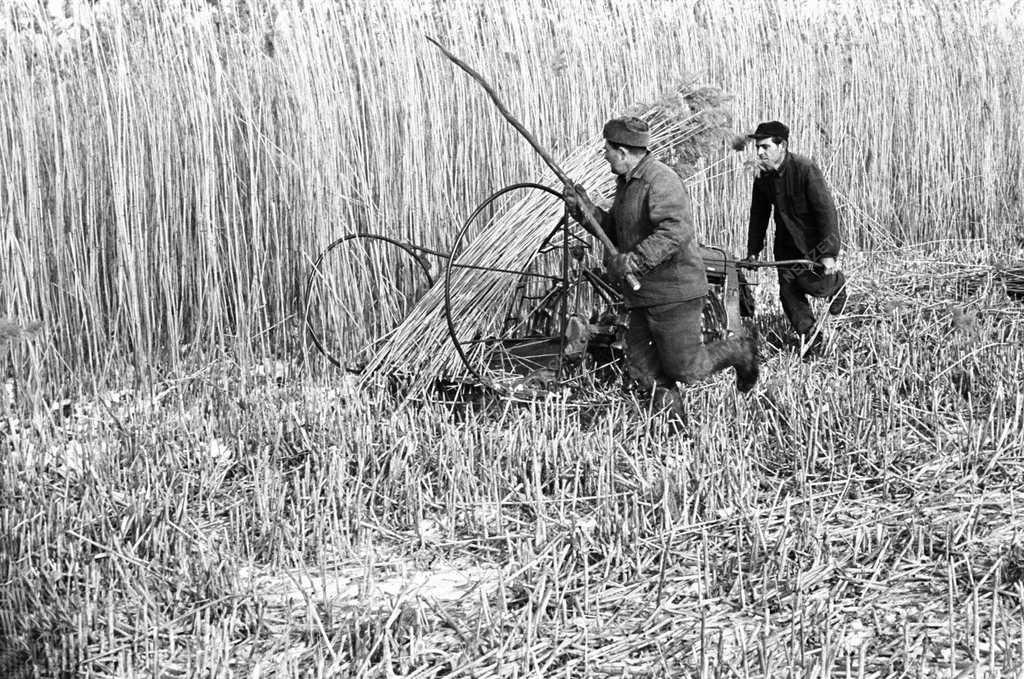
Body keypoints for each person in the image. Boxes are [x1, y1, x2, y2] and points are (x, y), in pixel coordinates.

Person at [564, 116, 759, 412]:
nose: (603, 155)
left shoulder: (660, 180)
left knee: (686, 368)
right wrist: (585, 210)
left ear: (623, 151)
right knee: (643, 367)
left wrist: (635, 260)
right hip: (644, 294)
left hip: (674, 292)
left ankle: (740, 350)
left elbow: (675, 231)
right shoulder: (628, 184)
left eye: (606, 149)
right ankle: (675, 428)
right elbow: (614, 231)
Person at [744, 120, 847, 356]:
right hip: (786, 246)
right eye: (758, 147)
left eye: (765, 147)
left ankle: (837, 284)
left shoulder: (805, 169)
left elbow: (826, 212)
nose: (760, 152)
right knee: (788, 293)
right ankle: (811, 337)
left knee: (815, 285)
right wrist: (753, 250)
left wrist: (829, 253)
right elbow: (759, 214)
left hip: (813, 244)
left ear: (783, 146)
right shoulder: (762, 176)